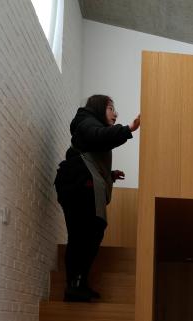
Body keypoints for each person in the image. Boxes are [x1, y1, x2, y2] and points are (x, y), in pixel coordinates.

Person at [54, 95, 139, 302]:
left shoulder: (89, 124)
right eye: (111, 108)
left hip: (80, 183)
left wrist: (109, 176)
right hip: (78, 184)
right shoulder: (86, 120)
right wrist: (128, 128)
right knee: (83, 235)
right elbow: (98, 136)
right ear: (99, 108)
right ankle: (74, 285)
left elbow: (93, 149)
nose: (115, 113)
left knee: (90, 233)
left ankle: (79, 284)